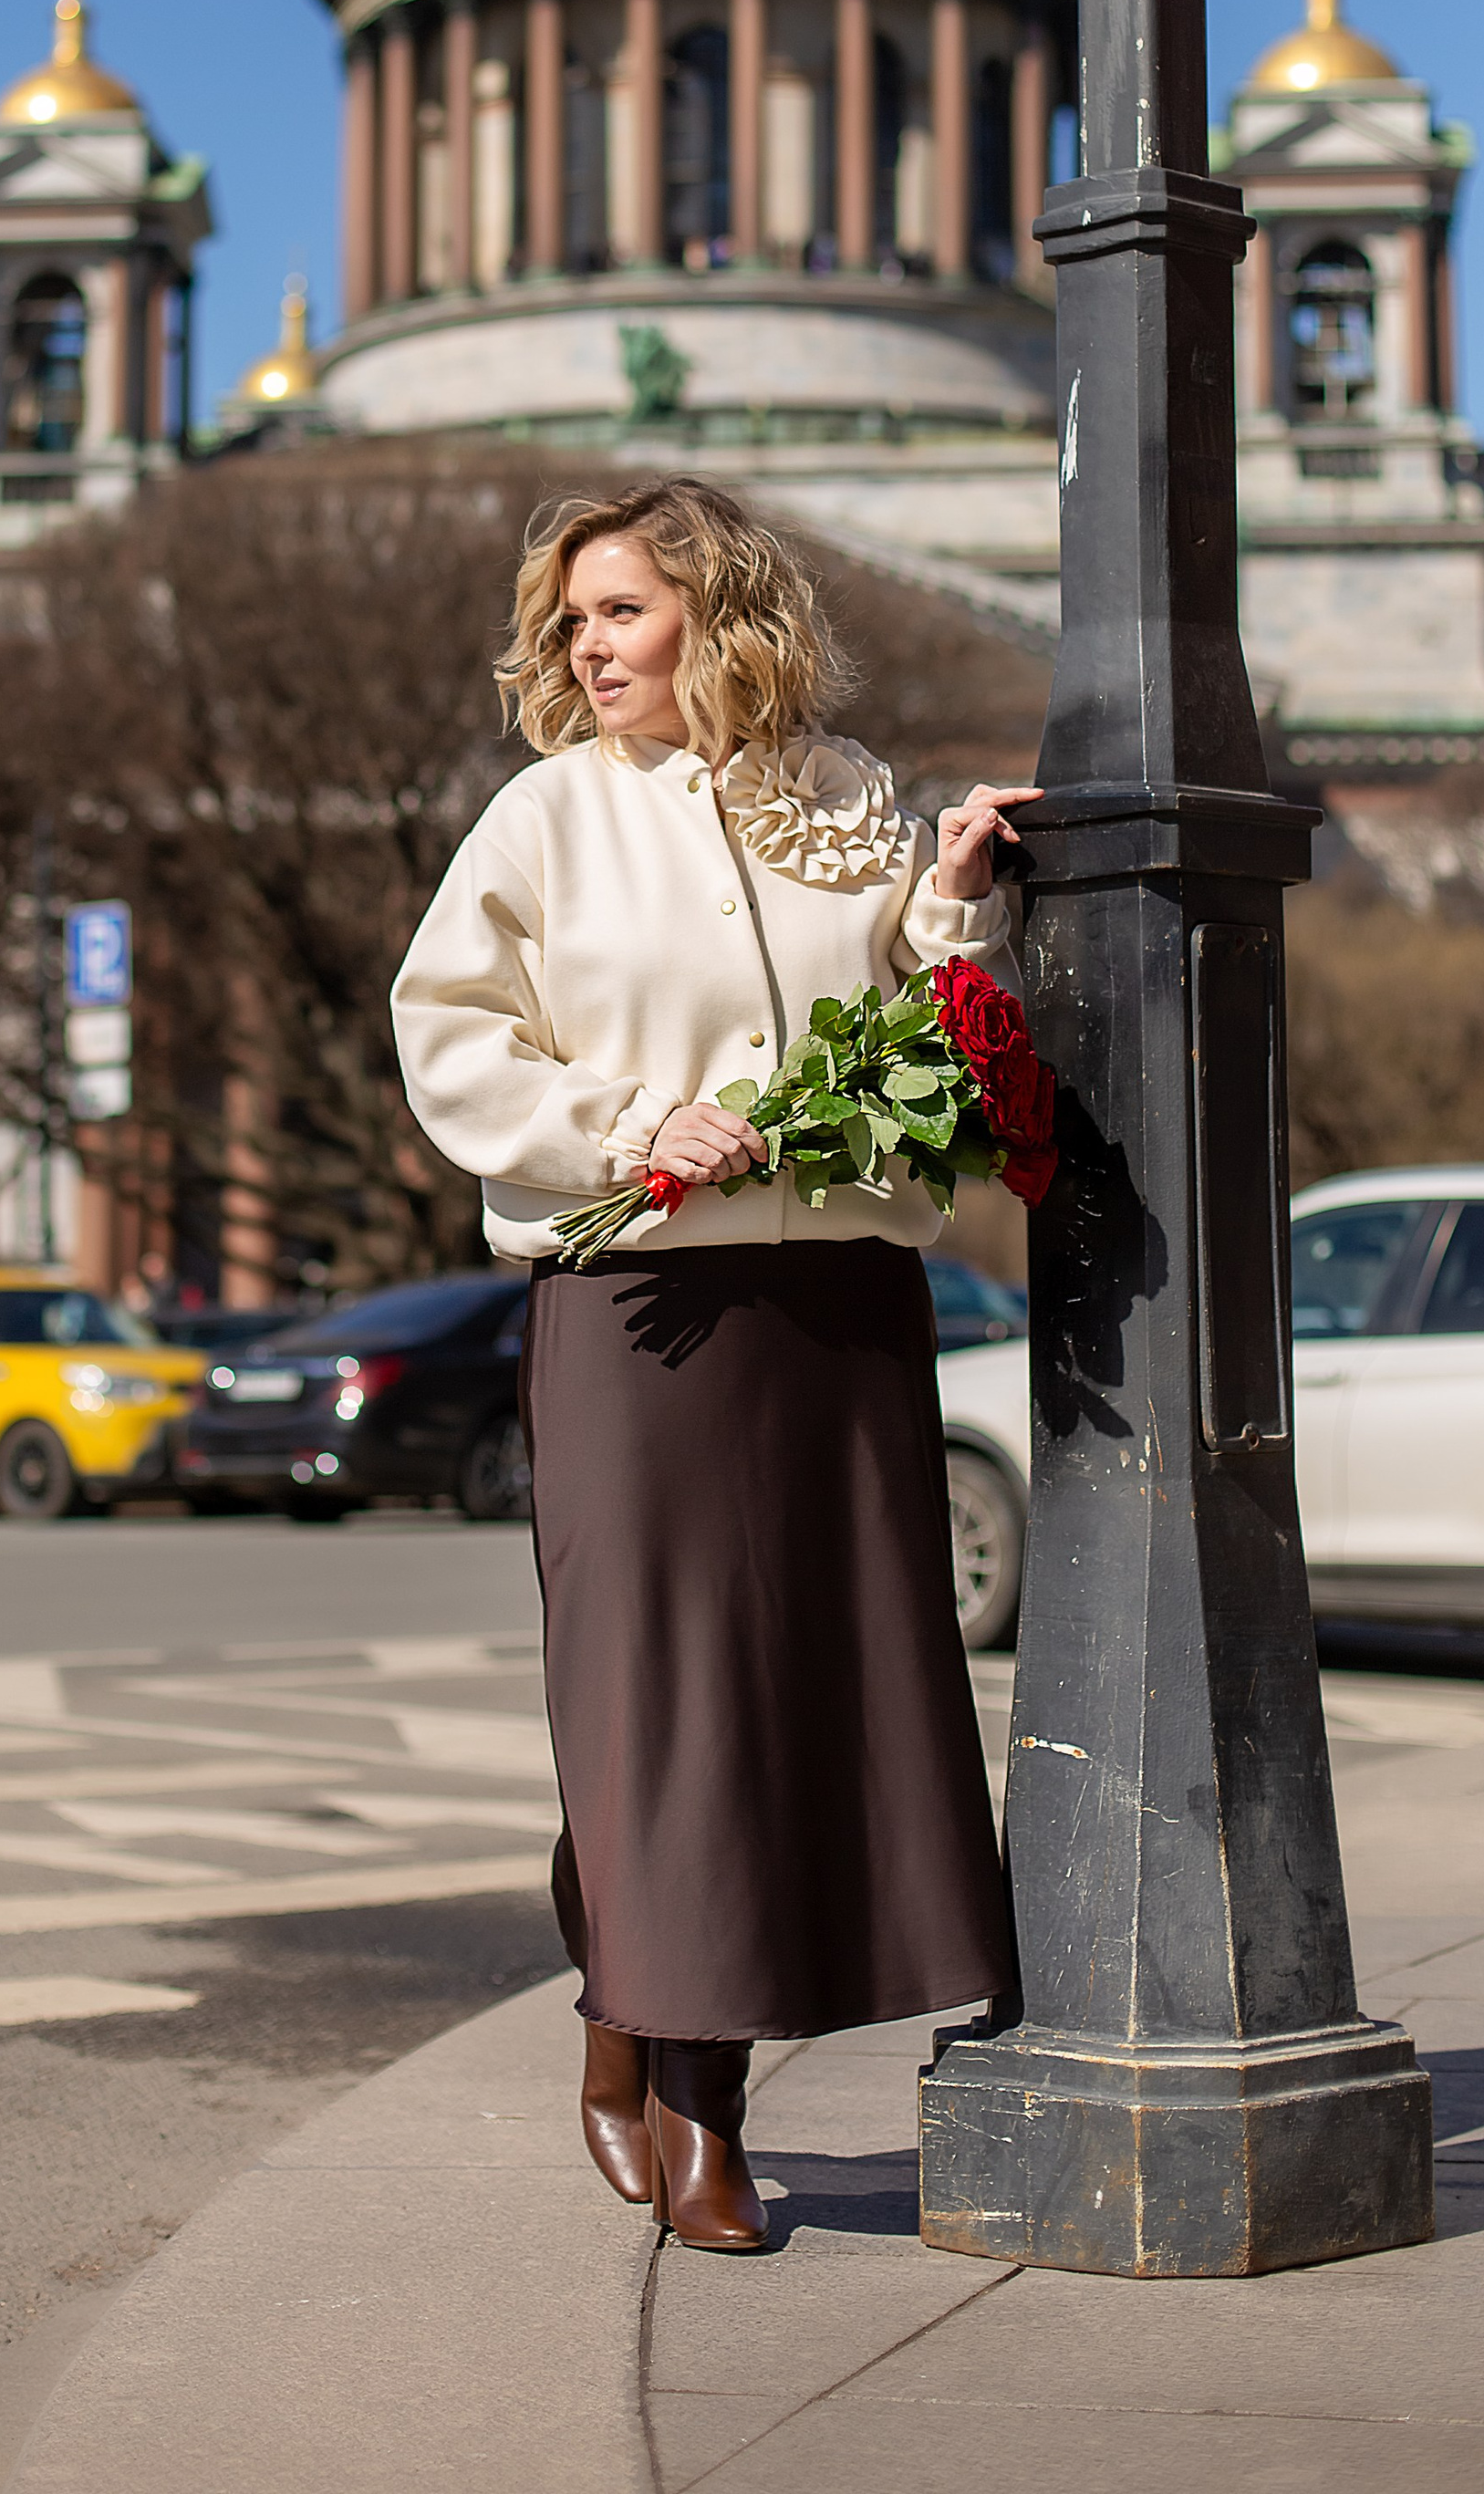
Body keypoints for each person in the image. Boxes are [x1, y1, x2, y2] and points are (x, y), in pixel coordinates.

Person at [390, 477, 1035, 2254]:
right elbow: (449, 1039)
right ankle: (698, 2113)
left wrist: (953, 900)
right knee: (665, 1701)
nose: (585, 646)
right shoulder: (545, 818)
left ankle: (630, 2015)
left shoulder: (850, 795)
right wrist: (626, 1126)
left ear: (720, 614)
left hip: (841, 1311)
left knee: (815, 1695)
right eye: (571, 619)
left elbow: (916, 1023)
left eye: (621, 610)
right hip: (640, 1314)